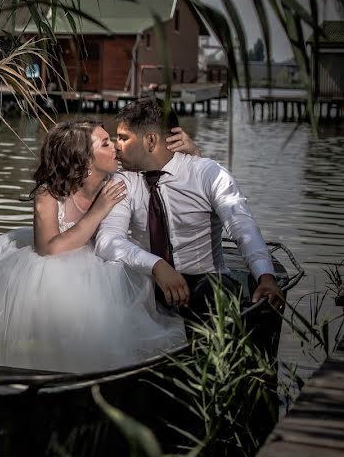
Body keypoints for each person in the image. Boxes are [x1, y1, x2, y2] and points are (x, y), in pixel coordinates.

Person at [0, 120, 196, 373]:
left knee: (109, 299)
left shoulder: (118, 178)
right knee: (51, 289)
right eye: (105, 144)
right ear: (85, 159)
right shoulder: (48, 193)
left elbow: (172, 173)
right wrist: (98, 211)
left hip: (99, 259)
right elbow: (48, 249)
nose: (115, 147)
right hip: (50, 257)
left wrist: (191, 150)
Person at [94, 96, 281, 338]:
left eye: (123, 138)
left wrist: (266, 276)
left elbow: (242, 226)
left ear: (151, 140)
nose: (117, 145)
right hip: (151, 279)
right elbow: (108, 239)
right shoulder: (123, 180)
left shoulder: (207, 173)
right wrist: (156, 265)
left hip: (205, 282)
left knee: (213, 293)